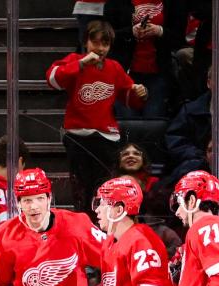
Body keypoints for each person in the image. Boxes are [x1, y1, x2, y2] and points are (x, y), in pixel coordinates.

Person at [46, 20, 147, 212]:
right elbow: (52, 78)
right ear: (86, 42)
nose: (100, 48)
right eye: (96, 42)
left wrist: (140, 93)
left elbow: (132, 99)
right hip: (77, 135)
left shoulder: (115, 67)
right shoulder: (74, 60)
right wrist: (81, 64)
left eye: (105, 44)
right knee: (81, 191)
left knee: (103, 189)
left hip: (106, 137)